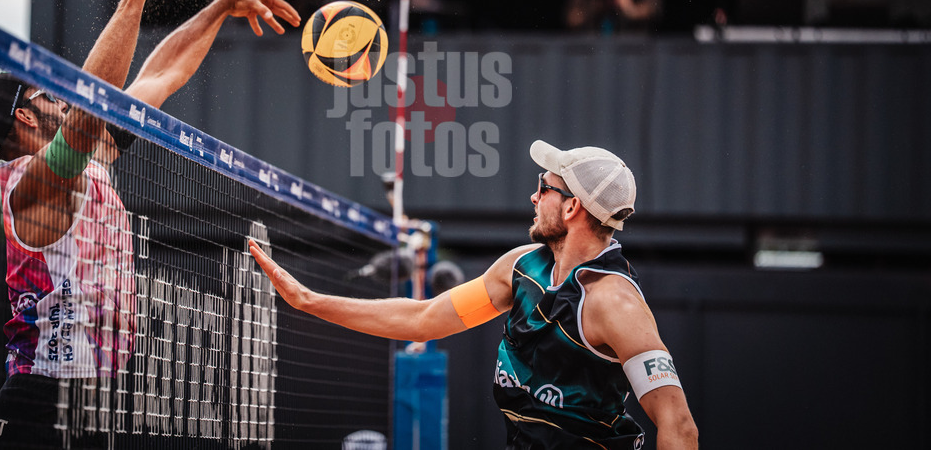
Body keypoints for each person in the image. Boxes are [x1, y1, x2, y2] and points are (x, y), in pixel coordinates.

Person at [0, 0, 301, 448]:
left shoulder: (86, 157)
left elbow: (160, 76)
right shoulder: (33, 184)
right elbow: (89, 107)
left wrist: (219, 7)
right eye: (45, 93)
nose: (58, 95)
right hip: (37, 406)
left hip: (91, 401)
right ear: (24, 117)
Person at [249, 141, 698, 449]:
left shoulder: (614, 302)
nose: (533, 196)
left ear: (571, 207)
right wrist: (308, 301)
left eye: (543, 187)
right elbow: (422, 319)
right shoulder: (522, 267)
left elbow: (678, 426)